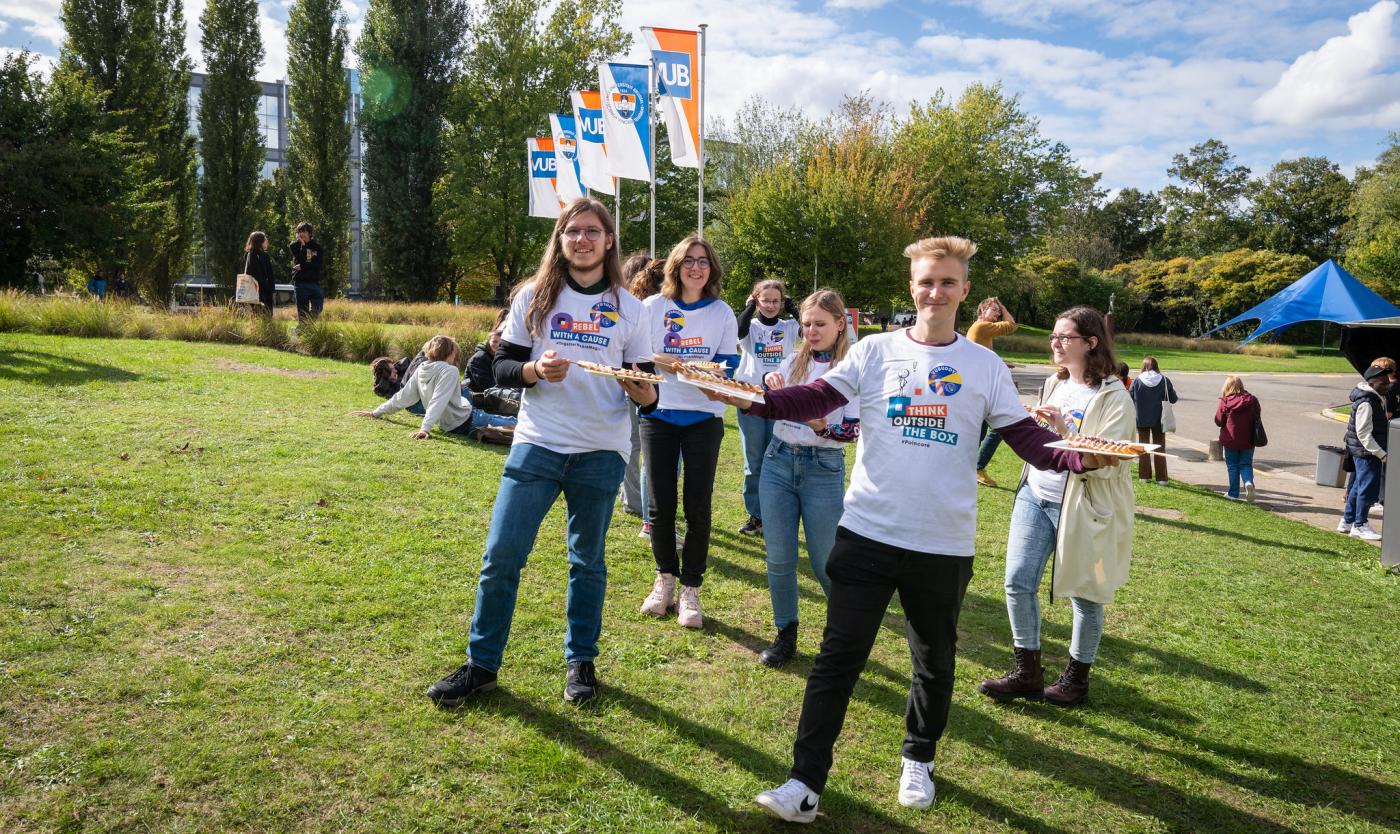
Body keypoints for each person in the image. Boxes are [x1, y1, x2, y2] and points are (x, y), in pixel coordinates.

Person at [703, 236, 1111, 821]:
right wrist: (755, 402)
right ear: (911, 286)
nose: (935, 292)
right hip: (867, 532)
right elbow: (817, 394)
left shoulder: (984, 365)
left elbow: (1027, 439)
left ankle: (918, 758)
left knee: (934, 660)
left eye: (948, 282)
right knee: (836, 660)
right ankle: (803, 783)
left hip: (941, 544)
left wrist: (1079, 457)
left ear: (965, 291)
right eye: (926, 281)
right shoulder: (874, 351)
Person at [422, 197, 657, 707]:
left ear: (609, 240)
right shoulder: (535, 295)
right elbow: (498, 367)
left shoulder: (630, 308)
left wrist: (645, 392)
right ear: (561, 238)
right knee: (501, 556)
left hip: (601, 451)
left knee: (586, 562)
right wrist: (533, 371)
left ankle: (581, 664)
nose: (583, 239)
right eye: (573, 231)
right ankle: (481, 667)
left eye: (593, 231)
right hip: (538, 443)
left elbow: (647, 385)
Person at [977, 306, 1135, 710]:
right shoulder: (1054, 382)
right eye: (1053, 336)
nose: (1056, 343)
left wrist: (1066, 429)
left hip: (1083, 504)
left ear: (1091, 343)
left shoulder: (1115, 395)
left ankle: (1075, 681)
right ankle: (1026, 670)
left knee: (1086, 593)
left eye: (1065, 337)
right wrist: (1038, 422)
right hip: (1035, 492)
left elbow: (1109, 457)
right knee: (1016, 580)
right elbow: (1043, 440)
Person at [637, 235, 739, 629]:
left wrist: (678, 365)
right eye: (688, 261)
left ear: (711, 269)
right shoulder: (652, 307)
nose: (696, 268)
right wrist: (669, 365)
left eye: (703, 261)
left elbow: (726, 367)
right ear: (675, 267)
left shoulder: (722, 313)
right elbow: (640, 358)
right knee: (660, 506)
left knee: (698, 507)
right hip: (658, 414)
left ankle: (690, 589)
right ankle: (664, 581)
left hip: (703, 417)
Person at [755, 289, 858, 668]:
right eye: (806, 324)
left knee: (825, 562)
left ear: (839, 324)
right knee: (779, 558)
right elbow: (769, 385)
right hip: (778, 462)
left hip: (823, 468)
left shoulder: (850, 369)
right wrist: (769, 380)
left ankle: (845, 637)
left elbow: (852, 432)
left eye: (820, 324)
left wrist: (820, 426)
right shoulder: (794, 360)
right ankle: (786, 634)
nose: (812, 331)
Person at [735, 279, 802, 537]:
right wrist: (751, 307)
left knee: (778, 458)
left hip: (779, 399)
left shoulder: (789, 326)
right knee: (754, 461)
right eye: (766, 300)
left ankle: (776, 514)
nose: (771, 305)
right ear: (756, 300)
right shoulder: (749, 325)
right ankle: (756, 516)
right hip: (750, 398)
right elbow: (737, 332)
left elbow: (808, 328)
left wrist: (793, 307)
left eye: (776, 301)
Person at [351, 335, 517, 438]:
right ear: (449, 352)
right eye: (454, 352)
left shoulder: (422, 369)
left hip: (451, 426)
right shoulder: (450, 370)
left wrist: (376, 412)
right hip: (468, 420)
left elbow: (403, 397)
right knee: (518, 424)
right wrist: (425, 429)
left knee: (509, 423)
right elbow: (438, 400)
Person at [967, 297, 1017, 486]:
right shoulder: (982, 326)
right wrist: (1004, 306)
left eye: (998, 310)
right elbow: (1011, 326)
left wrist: (999, 365)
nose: (996, 313)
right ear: (982, 310)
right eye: (993, 310)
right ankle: (977, 468)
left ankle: (972, 467)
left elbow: (981, 358)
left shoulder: (979, 330)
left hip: (982, 386)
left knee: (980, 431)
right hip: (982, 388)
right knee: (997, 428)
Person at [618, 252, 653, 519]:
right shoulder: (632, 306)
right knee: (634, 442)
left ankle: (631, 496)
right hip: (635, 378)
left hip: (633, 377)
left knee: (633, 442)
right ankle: (633, 498)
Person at [1340, 364, 1390, 541]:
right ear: (1372, 382)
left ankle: (1347, 521)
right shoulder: (1367, 403)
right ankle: (1360, 525)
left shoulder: (1374, 398)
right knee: (1367, 490)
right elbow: (1363, 434)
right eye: (1383, 383)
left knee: (1356, 487)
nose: (1387, 386)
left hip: (1361, 451)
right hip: (1367, 453)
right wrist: (1381, 454)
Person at [1129, 356, 1177, 485]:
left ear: (1143, 366)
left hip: (1141, 418)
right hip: (1160, 418)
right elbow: (1173, 399)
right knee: (1160, 447)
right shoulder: (1165, 380)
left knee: (1143, 446)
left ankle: (1144, 476)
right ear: (1156, 366)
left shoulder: (1138, 380)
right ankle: (1162, 478)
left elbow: (1130, 396)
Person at [1214, 376, 1261, 502]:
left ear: (1227, 387)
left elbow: (1219, 421)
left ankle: (1233, 493)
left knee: (1233, 465)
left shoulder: (1225, 401)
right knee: (1246, 463)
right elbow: (1257, 415)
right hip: (1248, 438)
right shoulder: (1252, 400)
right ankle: (1248, 482)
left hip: (1230, 439)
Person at [467, 309, 511, 392]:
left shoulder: (498, 356)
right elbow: (486, 385)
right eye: (494, 341)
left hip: (491, 395)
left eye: (501, 342)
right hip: (475, 398)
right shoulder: (479, 358)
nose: (498, 345)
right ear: (488, 341)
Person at [288, 222, 324, 323]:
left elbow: (318, 265)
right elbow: (301, 260)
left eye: (303, 232)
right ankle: (304, 331)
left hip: (314, 282)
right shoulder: (294, 246)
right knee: (303, 312)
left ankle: (309, 324)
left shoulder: (317, 247)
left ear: (309, 233)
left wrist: (303, 266)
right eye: (299, 232)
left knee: (318, 307)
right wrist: (303, 246)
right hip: (300, 283)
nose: (301, 234)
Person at [244, 231, 275, 315]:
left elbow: (270, 273)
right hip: (258, 292)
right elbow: (256, 274)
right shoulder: (251, 255)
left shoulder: (264, 255)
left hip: (265, 291)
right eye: (265, 239)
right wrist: (268, 287)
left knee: (266, 315)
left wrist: (271, 288)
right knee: (260, 315)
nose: (267, 241)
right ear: (259, 242)